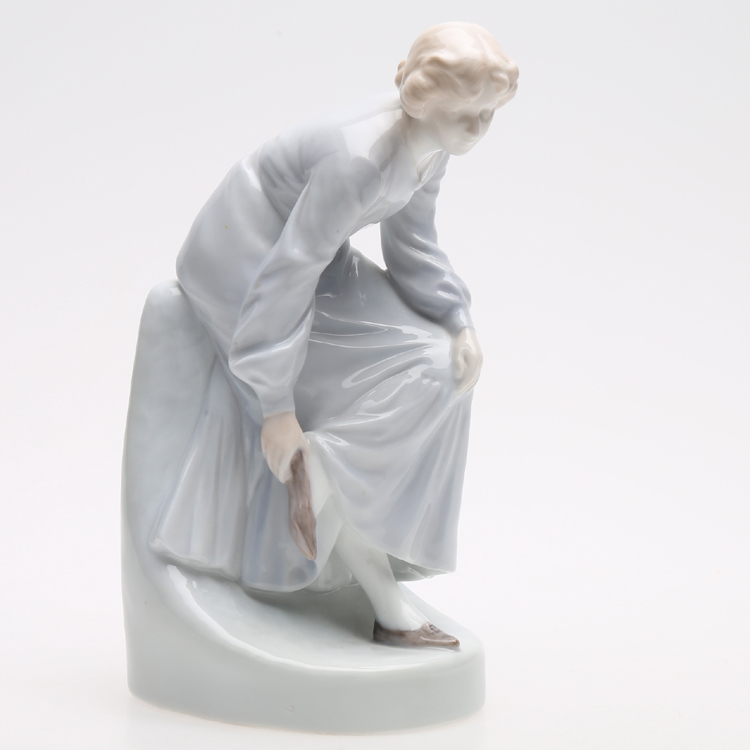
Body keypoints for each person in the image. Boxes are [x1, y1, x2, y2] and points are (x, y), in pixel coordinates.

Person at [150, 22, 518, 647]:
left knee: (440, 366)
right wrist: (276, 405)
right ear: (424, 101)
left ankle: (333, 482)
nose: (479, 130)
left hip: (310, 258)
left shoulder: (432, 146)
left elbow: (412, 243)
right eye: (466, 116)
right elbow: (288, 270)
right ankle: (381, 595)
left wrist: (457, 320)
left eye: (488, 115)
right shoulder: (359, 161)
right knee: (348, 398)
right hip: (245, 261)